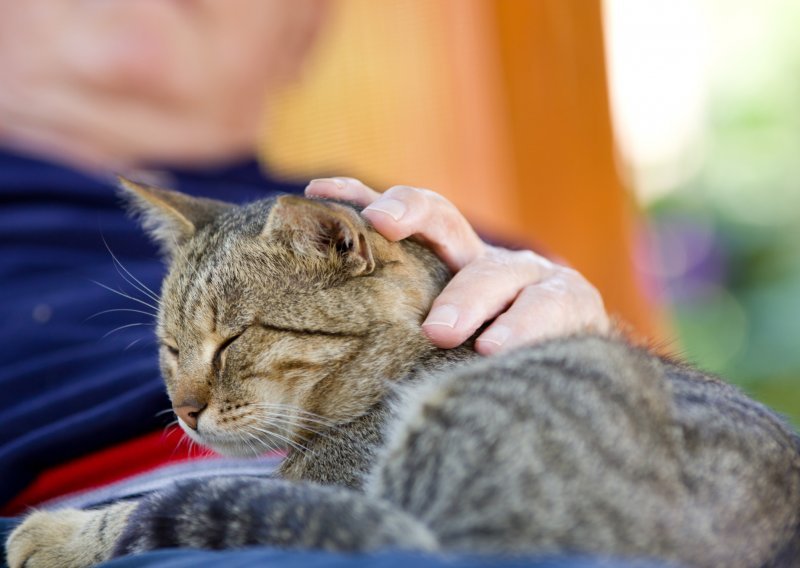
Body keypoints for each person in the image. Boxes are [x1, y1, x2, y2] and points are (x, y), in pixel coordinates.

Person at [0, 0, 609, 554]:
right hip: (97, 529)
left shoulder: (452, 238)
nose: (184, 404)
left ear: (306, 30)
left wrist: (593, 379)